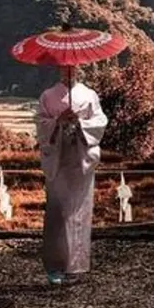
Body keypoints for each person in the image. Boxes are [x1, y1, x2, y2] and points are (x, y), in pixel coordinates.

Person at [37, 65, 107, 284]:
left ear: (77, 68)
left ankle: (76, 265)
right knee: (57, 211)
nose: (68, 71)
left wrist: (79, 122)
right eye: (64, 68)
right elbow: (41, 124)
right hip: (58, 160)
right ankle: (55, 266)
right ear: (59, 69)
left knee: (79, 210)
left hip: (79, 160)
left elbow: (99, 122)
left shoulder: (89, 95)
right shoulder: (48, 95)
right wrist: (57, 121)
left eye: (72, 67)